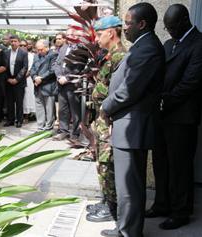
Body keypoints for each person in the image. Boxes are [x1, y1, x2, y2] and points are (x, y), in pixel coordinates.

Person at [100, 3, 165, 237]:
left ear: (141, 24)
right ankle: (126, 228)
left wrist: (106, 106)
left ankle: (128, 233)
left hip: (133, 127)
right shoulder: (143, 45)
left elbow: (130, 89)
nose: (124, 27)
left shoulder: (147, 47)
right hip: (129, 124)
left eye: (128, 23)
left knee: (129, 188)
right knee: (128, 186)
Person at [146, 4, 202, 230]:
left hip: (182, 117)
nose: (168, 31)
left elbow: (191, 82)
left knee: (179, 167)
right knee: (161, 163)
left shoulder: (198, 44)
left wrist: (164, 100)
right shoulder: (169, 44)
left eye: (171, 26)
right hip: (162, 115)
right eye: (166, 27)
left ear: (184, 20)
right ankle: (162, 204)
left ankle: (180, 212)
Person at [83, 16, 126, 229]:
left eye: (99, 34)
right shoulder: (111, 55)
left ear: (111, 32)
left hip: (108, 120)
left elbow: (117, 91)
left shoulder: (121, 57)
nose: (97, 39)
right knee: (102, 163)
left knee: (108, 165)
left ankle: (112, 207)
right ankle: (106, 201)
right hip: (102, 118)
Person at [30, 39, 58, 131]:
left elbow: (52, 70)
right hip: (37, 85)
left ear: (47, 47)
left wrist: (41, 78)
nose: (39, 51)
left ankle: (49, 127)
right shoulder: (36, 56)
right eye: (37, 49)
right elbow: (32, 69)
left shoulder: (53, 55)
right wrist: (34, 77)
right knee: (39, 106)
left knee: (49, 108)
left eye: (41, 49)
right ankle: (40, 127)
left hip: (48, 85)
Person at [4, 35, 28, 128]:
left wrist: (17, 79)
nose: (13, 43)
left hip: (19, 81)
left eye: (15, 41)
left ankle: (19, 120)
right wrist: (8, 79)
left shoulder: (23, 53)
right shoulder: (6, 53)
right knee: (9, 102)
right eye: (12, 41)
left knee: (19, 102)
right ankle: (10, 120)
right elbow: (4, 67)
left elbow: (25, 67)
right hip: (8, 81)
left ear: (18, 42)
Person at [21, 39, 36, 120]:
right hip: (19, 78)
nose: (23, 47)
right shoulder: (18, 54)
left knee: (28, 96)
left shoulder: (31, 55)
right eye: (21, 45)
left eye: (24, 45)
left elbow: (32, 67)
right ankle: (22, 114)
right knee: (22, 97)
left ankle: (29, 114)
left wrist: (27, 73)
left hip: (29, 78)